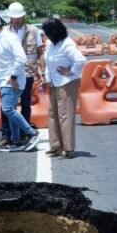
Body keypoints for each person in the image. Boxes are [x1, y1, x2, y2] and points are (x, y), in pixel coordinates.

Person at [0, 15, 40, 152]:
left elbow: (21, 58)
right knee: (10, 110)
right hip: (6, 80)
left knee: (7, 109)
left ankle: (32, 133)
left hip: (12, 81)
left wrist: (13, 76)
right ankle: (16, 141)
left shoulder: (8, 38)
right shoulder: (1, 39)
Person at [39, 19, 86, 160]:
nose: (45, 35)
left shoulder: (67, 44)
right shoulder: (50, 43)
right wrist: (45, 77)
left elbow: (81, 60)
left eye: (47, 32)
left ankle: (68, 149)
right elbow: (47, 61)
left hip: (67, 82)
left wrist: (70, 71)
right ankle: (56, 146)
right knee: (53, 114)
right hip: (54, 82)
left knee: (65, 115)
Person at [0, 2, 44, 147]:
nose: (17, 20)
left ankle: (24, 135)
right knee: (6, 106)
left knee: (25, 104)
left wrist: (41, 71)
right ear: (10, 18)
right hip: (10, 75)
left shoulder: (33, 31)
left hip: (27, 72)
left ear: (24, 16)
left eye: (19, 17)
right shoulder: (4, 31)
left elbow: (39, 53)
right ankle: (6, 136)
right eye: (14, 18)